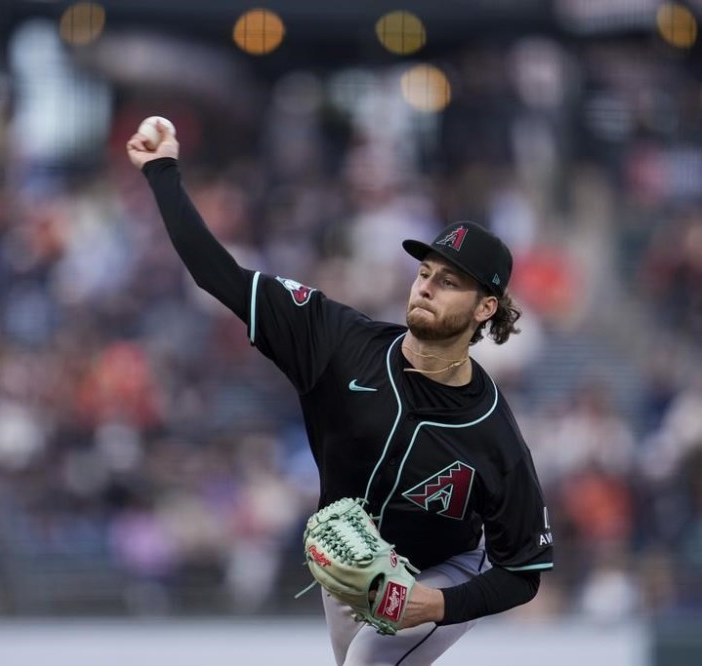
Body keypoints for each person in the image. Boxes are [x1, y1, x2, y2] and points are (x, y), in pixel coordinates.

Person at [126, 120, 554, 665]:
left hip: (445, 571)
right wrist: (162, 171)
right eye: (425, 272)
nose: (425, 286)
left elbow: (523, 572)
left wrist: (437, 604)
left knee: (368, 662)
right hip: (350, 562)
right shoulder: (337, 341)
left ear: (485, 308)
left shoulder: (492, 433)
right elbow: (220, 276)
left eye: (449, 282)